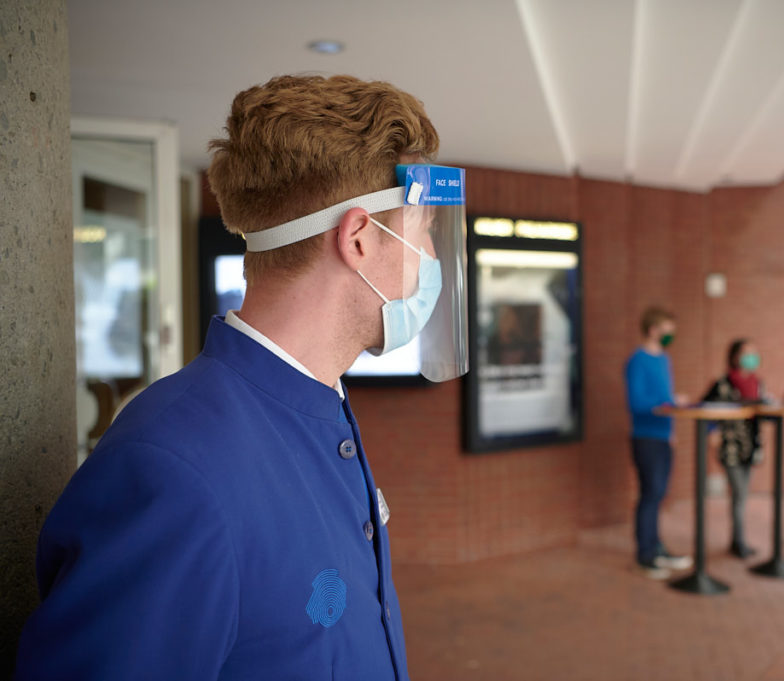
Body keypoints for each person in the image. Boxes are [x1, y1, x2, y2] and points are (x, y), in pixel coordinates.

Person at [16, 75, 470, 680]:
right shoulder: (173, 470)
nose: (432, 262)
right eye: (422, 232)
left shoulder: (315, 405)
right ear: (359, 238)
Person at [624, 306, 693, 579]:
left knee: (659, 494)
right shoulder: (637, 361)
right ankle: (645, 555)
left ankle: (657, 547)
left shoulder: (664, 359)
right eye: (667, 330)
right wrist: (669, 404)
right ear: (653, 330)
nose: (670, 335)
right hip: (645, 437)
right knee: (650, 494)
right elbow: (636, 402)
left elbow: (664, 397)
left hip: (664, 437)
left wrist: (672, 428)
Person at [701, 338, 765, 559]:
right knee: (739, 493)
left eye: (754, 353)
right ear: (735, 356)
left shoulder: (758, 384)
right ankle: (738, 542)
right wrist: (712, 432)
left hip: (750, 448)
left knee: (742, 495)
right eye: (747, 353)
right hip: (730, 447)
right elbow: (705, 407)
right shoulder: (722, 384)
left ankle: (737, 540)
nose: (751, 357)